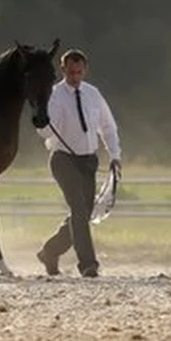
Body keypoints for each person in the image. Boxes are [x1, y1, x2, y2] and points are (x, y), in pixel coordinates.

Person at [34, 47, 122, 278]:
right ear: (63, 69)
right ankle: (88, 264)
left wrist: (114, 155)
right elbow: (46, 132)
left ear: (85, 69)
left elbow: (108, 126)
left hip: (88, 160)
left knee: (84, 212)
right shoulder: (54, 95)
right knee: (78, 208)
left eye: (79, 72)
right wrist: (41, 123)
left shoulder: (93, 94)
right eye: (70, 72)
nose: (74, 77)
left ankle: (49, 251)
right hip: (63, 159)